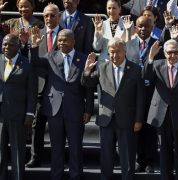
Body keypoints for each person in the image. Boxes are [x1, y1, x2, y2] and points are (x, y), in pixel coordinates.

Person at [30, 28, 94, 180]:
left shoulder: (83, 58)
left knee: (75, 146)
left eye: (65, 39)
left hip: (76, 109)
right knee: (56, 147)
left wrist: (88, 110)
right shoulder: (51, 56)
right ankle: (56, 175)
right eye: (59, 40)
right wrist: (33, 46)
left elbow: (89, 88)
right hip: (55, 108)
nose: (61, 42)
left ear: (73, 41)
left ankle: (76, 174)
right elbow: (35, 64)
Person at [81, 37, 144, 180]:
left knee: (127, 156)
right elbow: (87, 83)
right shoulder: (102, 67)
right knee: (106, 155)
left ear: (125, 51)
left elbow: (140, 97)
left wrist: (138, 119)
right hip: (106, 119)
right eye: (111, 52)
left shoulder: (135, 69)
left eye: (118, 52)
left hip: (127, 119)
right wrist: (87, 70)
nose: (115, 55)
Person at [145, 39, 178, 180]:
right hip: (161, 115)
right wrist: (150, 57)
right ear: (164, 53)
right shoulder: (156, 65)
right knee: (164, 150)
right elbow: (145, 77)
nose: (172, 55)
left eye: (176, 52)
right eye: (169, 52)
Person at [26, 3, 63, 168]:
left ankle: (59, 159)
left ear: (59, 16)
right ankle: (35, 157)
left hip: (59, 88)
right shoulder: (37, 34)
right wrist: (33, 46)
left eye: (52, 15)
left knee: (58, 128)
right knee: (37, 125)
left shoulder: (66, 35)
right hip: (40, 87)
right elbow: (32, 63)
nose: (49, 18)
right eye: (46, 15)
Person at [125, 16, 160, 173]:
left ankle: (150, 162)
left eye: (147, 26)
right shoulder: (128, 45)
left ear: (152, 27)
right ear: (135, 27)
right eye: (140, 26)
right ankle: (139, 159)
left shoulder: (158, 45)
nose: (143, 29)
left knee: (150, 129)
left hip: (152, 92)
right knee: (136, 128)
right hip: (133, 94)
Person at [0, 34, 36, 180]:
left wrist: (30, 113)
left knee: (17, 150)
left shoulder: (26, 64)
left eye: (11, 45)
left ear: (18, 46)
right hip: (0, 114)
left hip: (18, 114)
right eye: (4, 44)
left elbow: (32, 91)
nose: (6, 47)